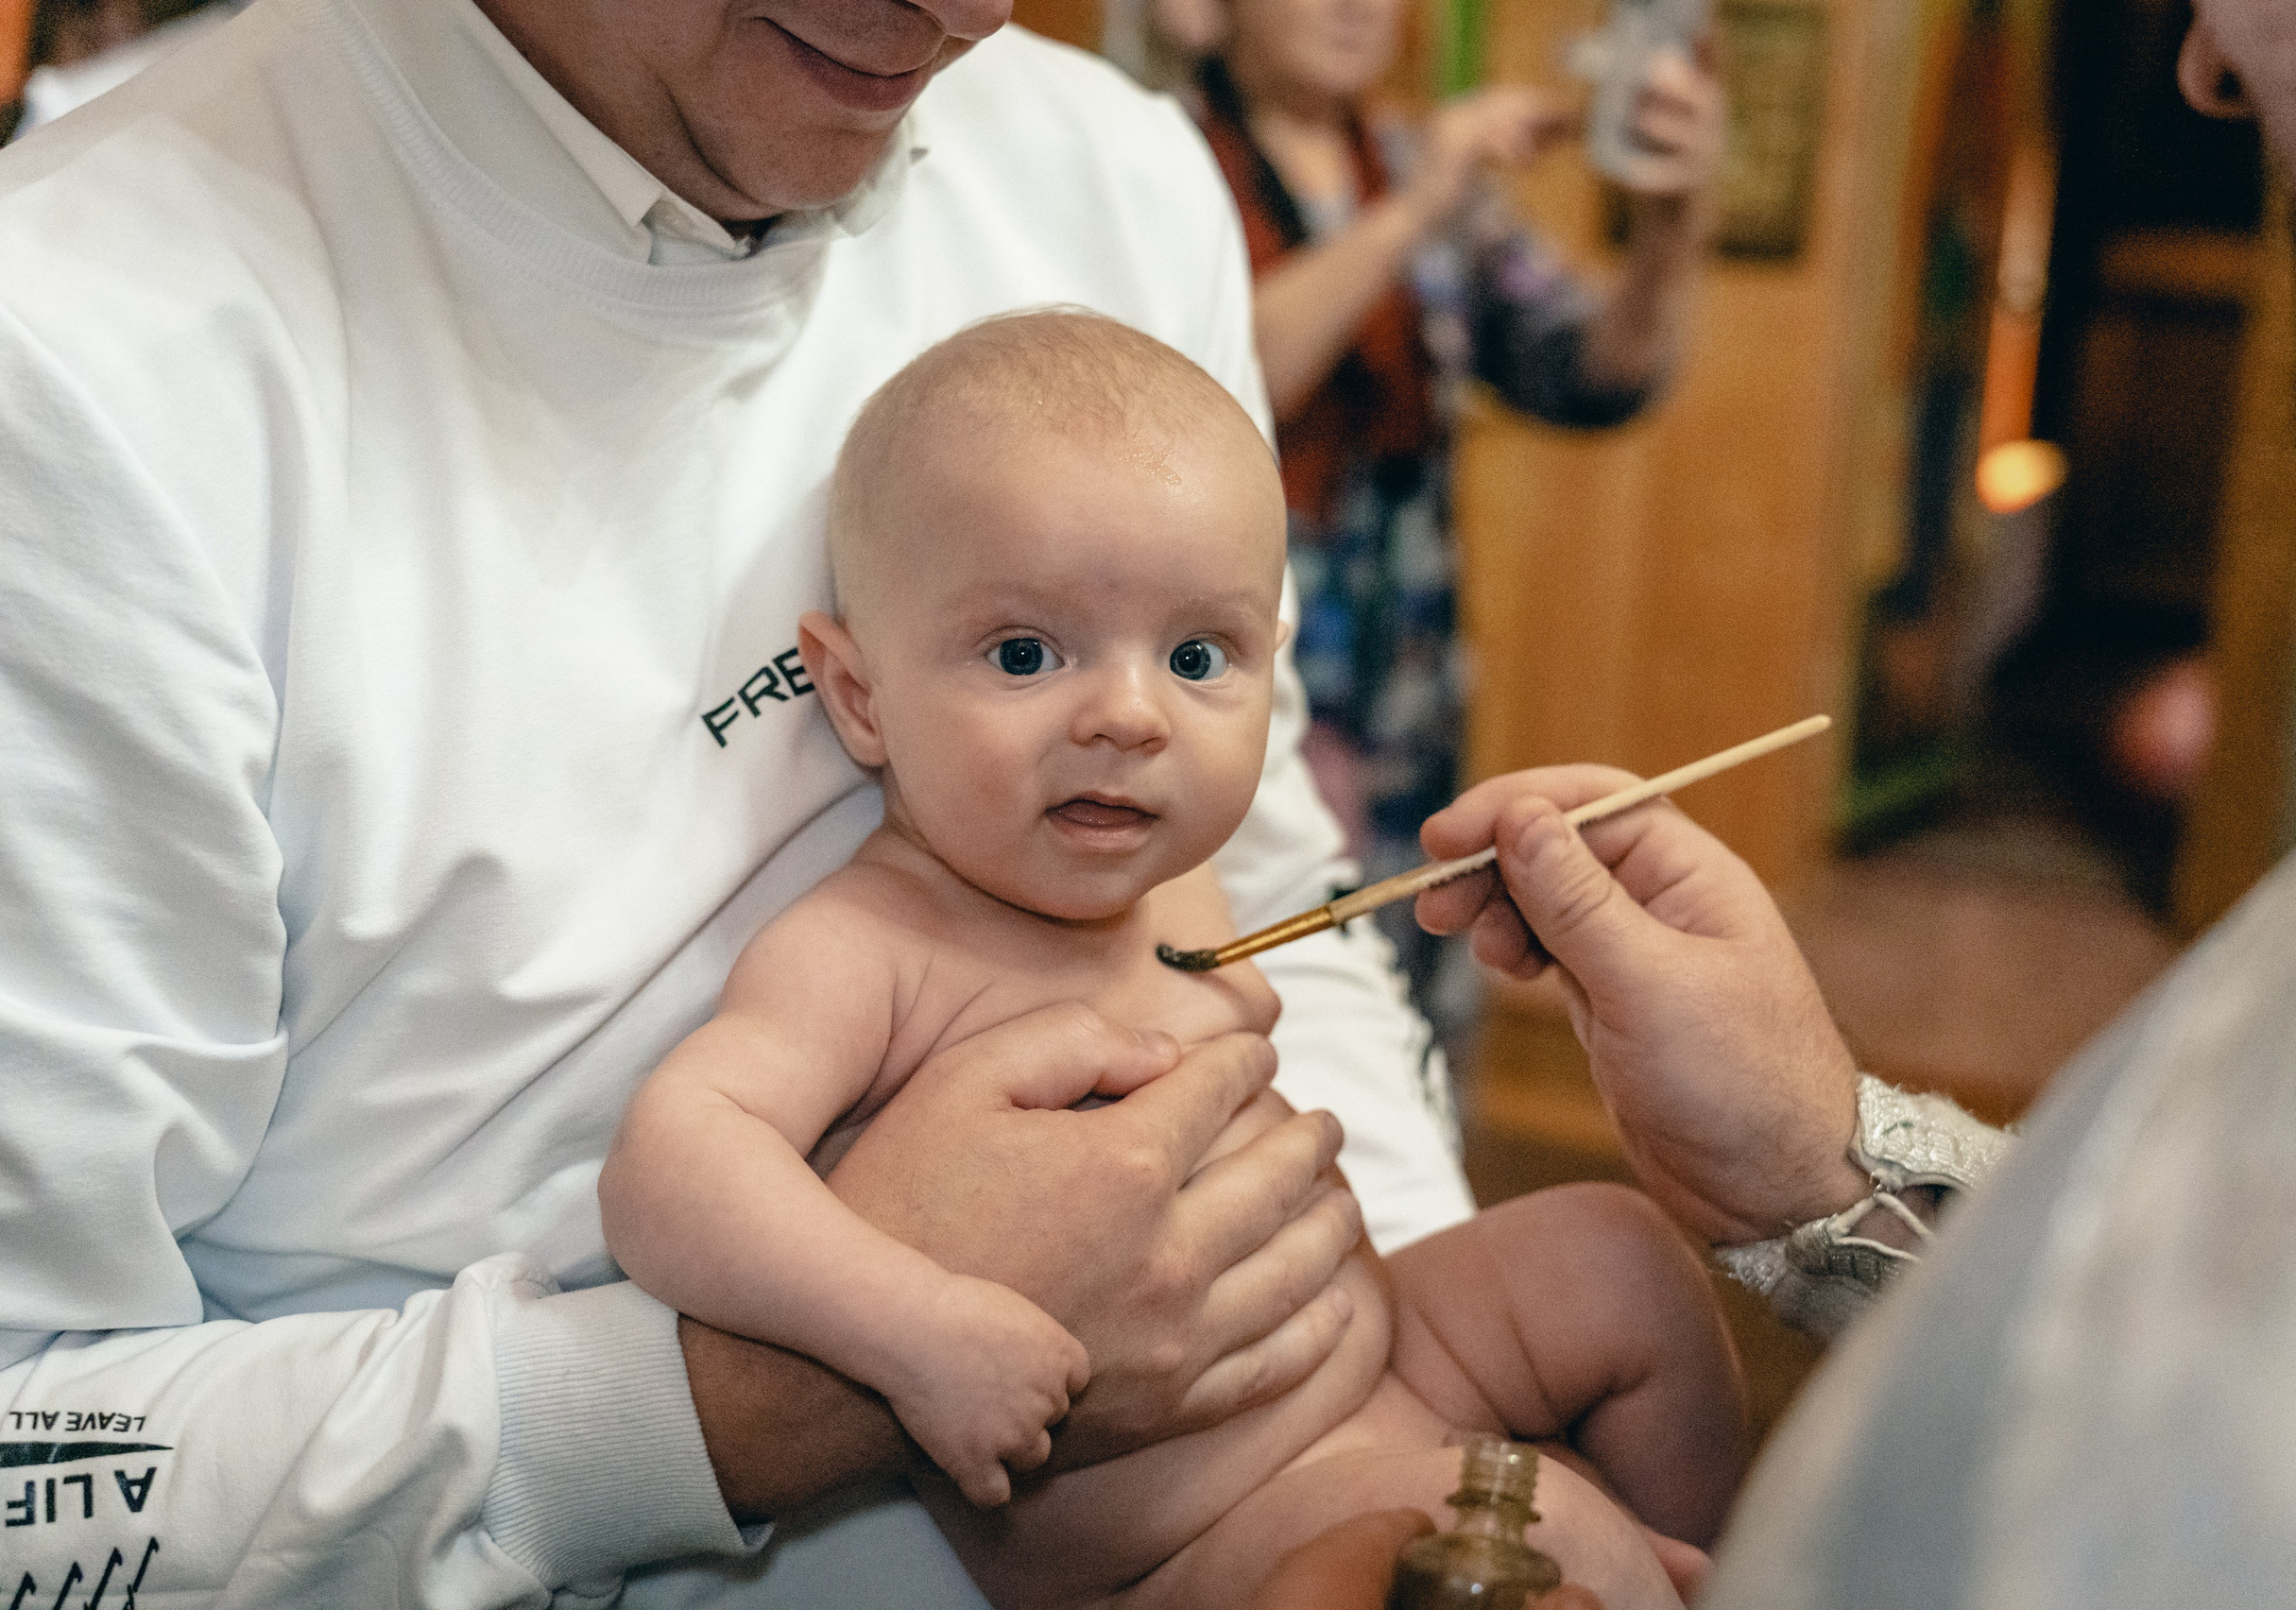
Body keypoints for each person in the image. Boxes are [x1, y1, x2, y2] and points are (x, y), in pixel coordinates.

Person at [0, 2, 1482, 1606]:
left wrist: (1429, 1460)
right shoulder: (74, 365)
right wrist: (764, 1383)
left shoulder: (1108, 175)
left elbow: (1261, 882)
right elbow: (32, 1461)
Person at [1253, 0, 2296, 1599]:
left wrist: (1668, 225)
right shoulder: (1203, 180)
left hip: (1404, 732)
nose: (2210, 59)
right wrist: (1823, 1165)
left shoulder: (1431, 178)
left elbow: (1605, 367)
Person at [600, 309, 1749, 1608]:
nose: (1130, 718)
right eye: (1026, 654)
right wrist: (911, 1336)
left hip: (1391, 1347)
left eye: (1198, 657)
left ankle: (1693, 1557)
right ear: (859, 698)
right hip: (1191, 1527)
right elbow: (672, 1165)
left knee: (1621, 1254)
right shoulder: (872, 949)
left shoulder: (1174, 876)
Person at [1185, 0, 1724, 1013]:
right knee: (1248, 993)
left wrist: (1670, 215)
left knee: (1409, 997)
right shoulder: (1160, 160)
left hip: (1406, 691)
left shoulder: (1409, 155)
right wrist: (1413, 207)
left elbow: (1596, 376)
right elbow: (1214, 391)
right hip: (1221, 680)